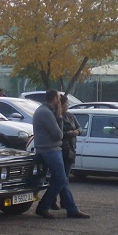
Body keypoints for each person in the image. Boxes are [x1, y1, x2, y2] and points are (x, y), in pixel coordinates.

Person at [32, 90, 89, 219]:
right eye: (59, 97)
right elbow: (58, 135)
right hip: (49, 149)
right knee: (61, 179)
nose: (60, 100)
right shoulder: (45, 112)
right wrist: (58, 117)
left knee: (61, 180)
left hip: (51, 148)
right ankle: (43, 206)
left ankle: (71, 208)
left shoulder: (46, 111)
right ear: (54, 99)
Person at [52, 94, 81, 210]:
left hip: (71, 150)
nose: (68, 105)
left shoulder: (70, 115)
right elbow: (59, 133)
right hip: (62, 150)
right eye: (67, 103)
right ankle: (59, 202)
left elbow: (80, 128)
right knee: (61, 178)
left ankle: (63, 201)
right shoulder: (57, 117)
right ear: (61, 105)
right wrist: (69, 133)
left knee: (64, 177)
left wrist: (76, 132)